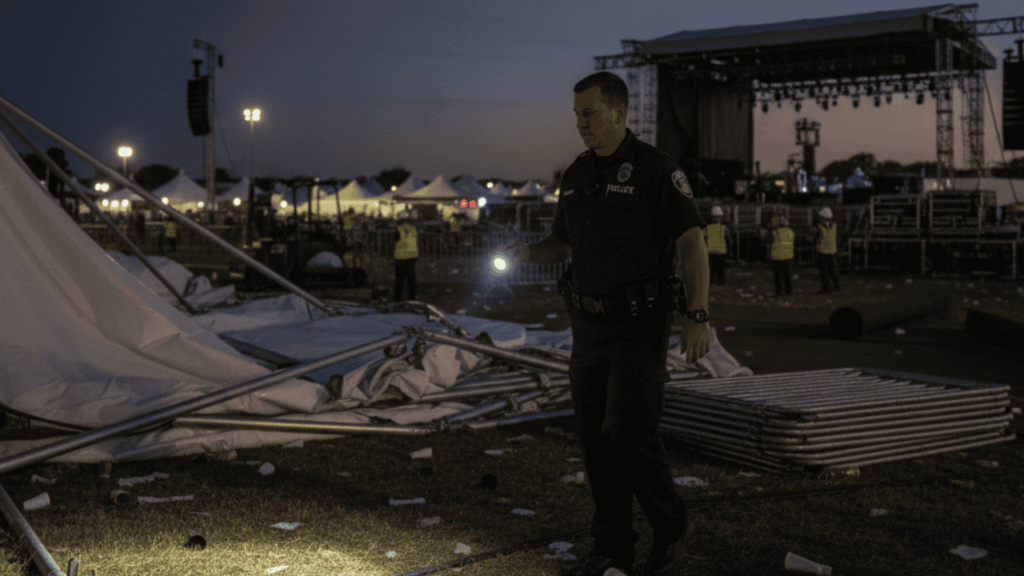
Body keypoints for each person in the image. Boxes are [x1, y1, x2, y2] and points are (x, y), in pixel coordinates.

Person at [507, 71, 710, 576]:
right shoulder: (576, 174)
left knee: (627, 430)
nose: (580, 124)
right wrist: (527, 252)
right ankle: (612, 547)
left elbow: (692, 242)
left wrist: (698, 315)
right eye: (577, 115)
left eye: (589, 113)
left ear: (619, 112)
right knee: (594, 440)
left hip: (639, 325)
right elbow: (562, 242)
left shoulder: (655, 169)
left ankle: (671, 526)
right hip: (588, 327)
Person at [814, 207, 841, 293]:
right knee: (833, 270)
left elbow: (817, 237)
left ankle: (826, 288)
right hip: (832, 250)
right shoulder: (834, 225)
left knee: (824, 271)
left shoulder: (819, 226)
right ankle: (837, 286)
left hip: (823, 251)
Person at [393, 210, 418, 301]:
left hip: (400, 257)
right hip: (413, 256)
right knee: (411, 277)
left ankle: (398, 297)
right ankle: (412, 296)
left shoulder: (398, 229)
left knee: (400, 278)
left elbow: (395, 242)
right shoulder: (413, 228)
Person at [767, 215, 795, 296]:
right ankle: (789, 290)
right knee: (787, 275)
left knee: (778, 276)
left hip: (777, 256)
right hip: (788, 255)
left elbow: (767, 240)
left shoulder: (775, 232)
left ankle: (779, 291)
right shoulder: (791, 231)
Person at [704, 206, 731, 285]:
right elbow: (729, 239)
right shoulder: (724, 228)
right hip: (720, 252)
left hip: (711, 252)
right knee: (720, 271)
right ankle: (719, 283)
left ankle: (713, 283)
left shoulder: (707, 228)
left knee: (712, 271)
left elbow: (703, 239)